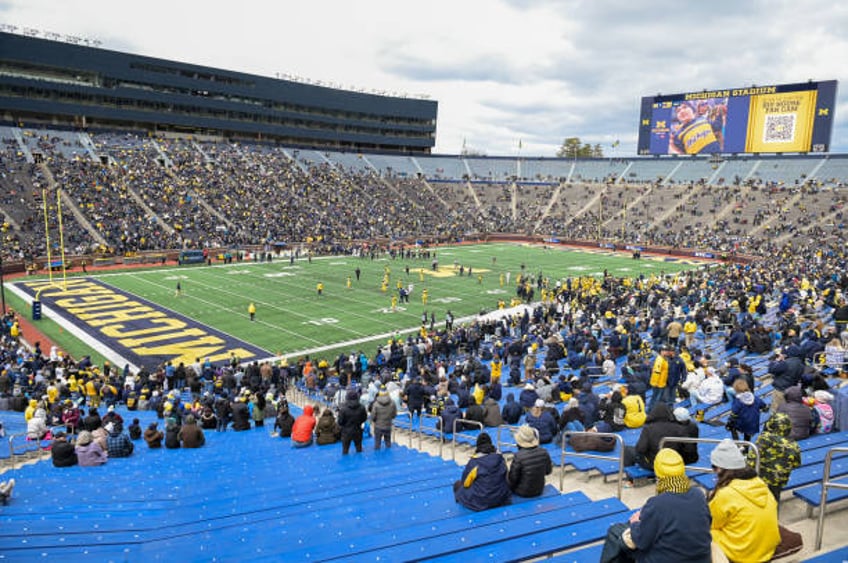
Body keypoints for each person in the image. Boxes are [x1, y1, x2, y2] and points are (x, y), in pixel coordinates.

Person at [601, 448, 712, 563]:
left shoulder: (657, 503)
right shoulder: (698, 495)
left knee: (616, 533)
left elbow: (641, 540)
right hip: (700, 558)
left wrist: (635, 523)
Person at [708, 439, 780, 562]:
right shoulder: (761, 484)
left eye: (714, 467)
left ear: (720, 468)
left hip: (742, 553)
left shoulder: (726, 494)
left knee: (703, 531)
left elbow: (710, 522)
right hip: (766, 549)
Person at [748, 412, 801, 502]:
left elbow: (752, 457)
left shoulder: (765, 438)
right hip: (780, 479)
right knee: (775, 498)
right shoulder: (794, 444)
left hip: (762, 477)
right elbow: (796, 464)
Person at [453, 433, 511, 511]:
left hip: (482, 501)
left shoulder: (474, 463)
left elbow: (465, 483)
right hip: (501, 498)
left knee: (458, 485)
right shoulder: (500, 458)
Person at [508, 425, 552, 498]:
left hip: (522, 492)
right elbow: (548, 471)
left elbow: (513, 479)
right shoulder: (544, 452)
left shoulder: (519, 456)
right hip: (539, 489)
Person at [337, 388, 368, 454]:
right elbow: (364, 418)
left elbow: (340, 422)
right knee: (358, 448)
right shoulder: (362, 407)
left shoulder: (343, 409)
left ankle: (345, 463)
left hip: (346, 432)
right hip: (358, 430)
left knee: (345, 450)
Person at [370, 385, 397, 450]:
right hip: (388, 425)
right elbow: (394, 414)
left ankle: (377, 457)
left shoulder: (376, 404)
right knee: (388, 443)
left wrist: (374, 421)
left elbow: (373, 416)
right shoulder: (392, 403)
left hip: (378, 426)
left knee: (377, 443)